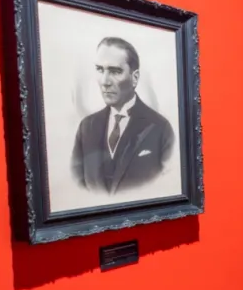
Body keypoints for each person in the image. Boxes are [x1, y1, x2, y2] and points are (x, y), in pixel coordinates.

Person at [71, 37, 175, 194]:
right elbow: (77, 186)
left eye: (115, 71)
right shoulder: (86, 127)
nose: (105, 81)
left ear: (135, 78)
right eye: (100, 70)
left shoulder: (161, 128)